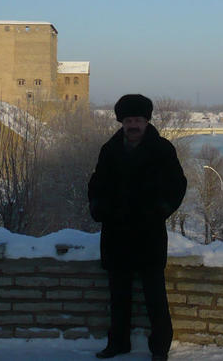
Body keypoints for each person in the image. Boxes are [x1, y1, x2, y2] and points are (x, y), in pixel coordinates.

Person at [87, 94, 187, 361]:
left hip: (148, 234)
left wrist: (160, 210)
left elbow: (177, 185)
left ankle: (160, 348)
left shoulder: (163, 150)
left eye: (138, 120)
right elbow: (96, 184)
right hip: (116, 233)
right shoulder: (109, 150)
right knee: (118, 295)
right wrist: (98, 207)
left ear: (146, 122)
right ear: (122, 122)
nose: (133, 125)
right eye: (129, 120)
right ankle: (117, 343)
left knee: (155, 295)